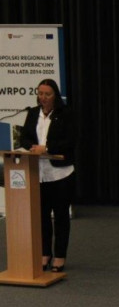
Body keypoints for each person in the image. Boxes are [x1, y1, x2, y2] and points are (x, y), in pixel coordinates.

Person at [20, 79, 76, 273]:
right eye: (40, 93)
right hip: (39, 174)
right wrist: (32, 147)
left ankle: (59, 256)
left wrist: (48, 148)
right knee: (42, 216)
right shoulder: (33, 113)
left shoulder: (65, 114)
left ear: (55, 95)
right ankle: (45, 253)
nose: (43, 97)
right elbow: (24, 137)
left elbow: (71, 140)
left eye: (47, 94)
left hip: (60, 173)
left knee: (60, 217)